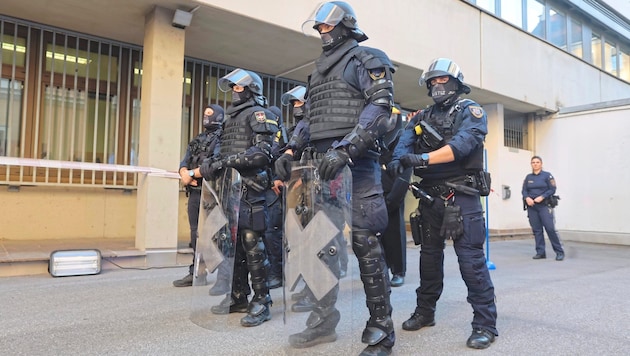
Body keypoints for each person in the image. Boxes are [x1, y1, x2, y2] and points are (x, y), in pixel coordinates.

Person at [274, 2, 397, 355]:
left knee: (365, 245)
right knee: (320, 246)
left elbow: (379, 108)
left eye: (327, 26)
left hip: (354, 166)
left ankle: (381, 330)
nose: (322, 32)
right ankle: (323, 322)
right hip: (318, 169)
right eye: (319, 28)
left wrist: (346, 149)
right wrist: (289, 151)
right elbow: (307, 120)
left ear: (346, 25)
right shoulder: (318, 73)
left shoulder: (366, 59)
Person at [389, 58, 498, 349]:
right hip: (429, 198)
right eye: (433, 81)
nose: (438, 86)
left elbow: (464, 144)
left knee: (471, 263)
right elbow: (403, 143)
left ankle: (485, 324)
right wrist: (399, 160)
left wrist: (423, 158)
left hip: (461, 196)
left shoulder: (470, 111)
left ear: (456, 83)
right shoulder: (420, 116)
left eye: (443, 80)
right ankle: (425, 312)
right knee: (428, 261)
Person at [192, 68, 278, 327]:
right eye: (231, 88)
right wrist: (211, 163)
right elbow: (221, 151)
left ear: (251, 89)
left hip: (251, 187)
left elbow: (263, 153)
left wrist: (226, 162)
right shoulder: (230, 120)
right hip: (230, 189)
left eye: (238, 87)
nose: (233, 92)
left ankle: (262, 300)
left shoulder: (259, 115)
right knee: (234, 245)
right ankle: (239, 295)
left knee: (253, 243)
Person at [173, 104, 224, 289]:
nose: (206, 117)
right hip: (195, 193)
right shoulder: (198, 139)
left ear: (218, 117)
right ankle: (197, 271)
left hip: (213, 194)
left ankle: (224, 276)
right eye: (205, 114)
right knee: (196, 234)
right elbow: (184, 161)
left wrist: (192, 174)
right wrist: (184, 172)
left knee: (214, 235)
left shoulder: (222, 139)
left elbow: (216, 164)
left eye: (210, 114)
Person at [379, 106, 410, 287]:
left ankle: (398, 271)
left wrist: (393, 199)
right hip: (376, 194)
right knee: (378, 235)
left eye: (391, 115)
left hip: (393, 195)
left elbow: (405, 172)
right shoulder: (377, 137)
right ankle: (382, 268)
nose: (387, 119)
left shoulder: (403, 138)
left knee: (395, 234)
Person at [522, 156, 564, 261]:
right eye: (533, 162)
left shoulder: (547, 176)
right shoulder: (528, 177)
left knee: (550, 229)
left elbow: (552, 189)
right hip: (532, 207)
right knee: (537, 230)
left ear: (541, 164)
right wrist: (527, 198)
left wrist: (542, 197)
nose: (535, 164)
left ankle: (559, 252)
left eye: (537, 162)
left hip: (544, 206)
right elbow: (524, 190)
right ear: (531, 164)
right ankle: (540, 252)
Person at [264, 105, 285, 289]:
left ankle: (277, 273)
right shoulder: (261, 136)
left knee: (273, 233)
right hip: (260, 190)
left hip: (276, 192)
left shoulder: (283, 137)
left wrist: (278, 178)